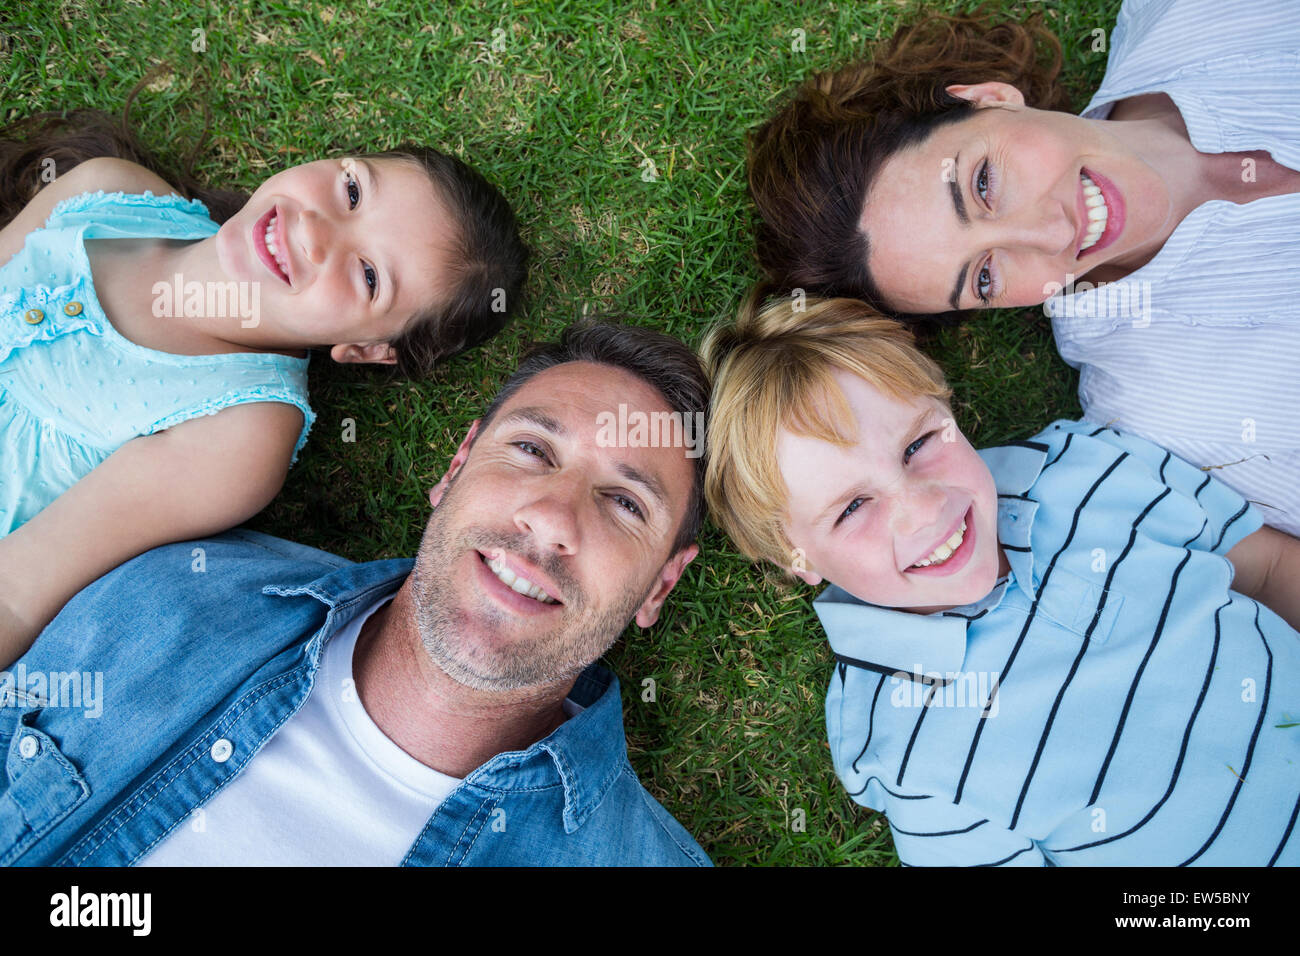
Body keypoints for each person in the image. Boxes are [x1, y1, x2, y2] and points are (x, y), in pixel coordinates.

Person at [0, 320, 711, 867]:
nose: (553, 518)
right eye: (532, 451)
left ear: (661, 586)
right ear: (456, 467)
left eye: (623, 503)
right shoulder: (170, 593)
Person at [700, 294, 1300, 866]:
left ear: (947, 407)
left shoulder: (1087, 464)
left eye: (918, 443)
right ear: (796, 557)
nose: (923, 508)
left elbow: (1271, 568)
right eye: (852, 507)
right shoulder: (908, 750)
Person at [746, 0, 1300, 537]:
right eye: (984, 277)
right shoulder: (1168, 423)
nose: (1052, 234)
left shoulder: (1200, 13)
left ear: (990, 98)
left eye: (983, 184)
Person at [0, 109, 528, 664]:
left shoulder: (239, 435)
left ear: (369, 348)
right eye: (351, 190)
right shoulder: (107, 191)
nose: (315, 231)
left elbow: (17, 593)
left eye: (369, 276)